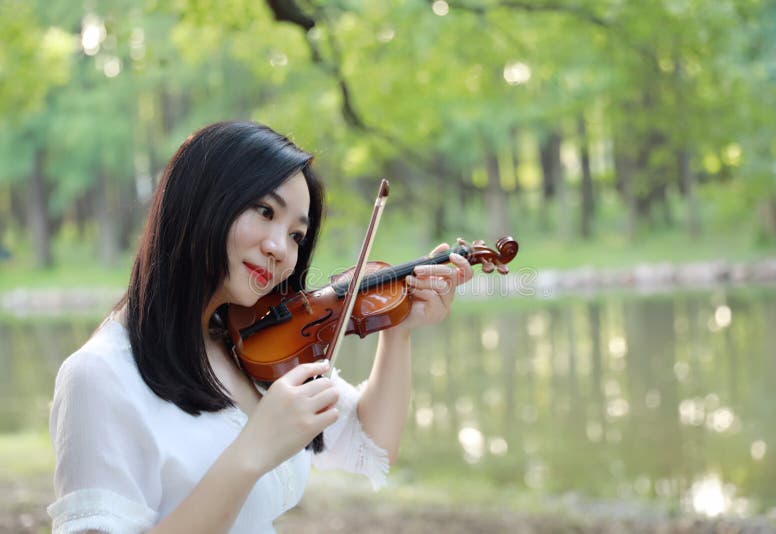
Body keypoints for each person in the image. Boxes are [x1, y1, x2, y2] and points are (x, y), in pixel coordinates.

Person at [47, 120, 474, 533]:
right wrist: (252, 451)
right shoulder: (99, 376)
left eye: (295, 235)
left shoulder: (252, 342)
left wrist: (399, 329)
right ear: (202, 201)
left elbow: (371, 441)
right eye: (264, 211)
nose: (279, 250)